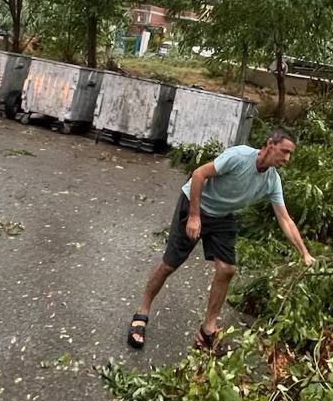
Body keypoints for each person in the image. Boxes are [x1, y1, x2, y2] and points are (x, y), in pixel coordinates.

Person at [127, 129, 315, 352]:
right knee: (170, 264)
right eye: (284, 152)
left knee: (227, 269)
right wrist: (195, 216)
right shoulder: (239, 156)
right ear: (270, 144)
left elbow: (285, 219)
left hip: (222, 215)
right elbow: (198, 175)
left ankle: (208, 327)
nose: (287, 159)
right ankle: (142, 312)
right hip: (195, 202)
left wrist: (304, 252)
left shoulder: (272, 181)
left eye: (290, 154)